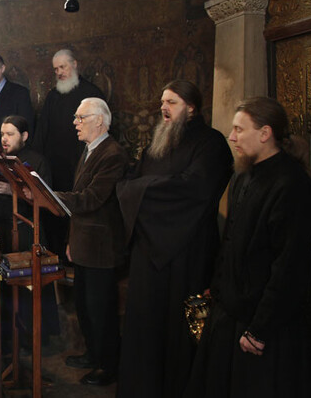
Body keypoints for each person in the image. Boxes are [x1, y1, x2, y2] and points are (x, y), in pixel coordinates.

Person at [184, 97, 311, 398]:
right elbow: (230, 243)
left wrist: (260, 329)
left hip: (264, 326)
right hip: (229, 314)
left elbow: (290, 267)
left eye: (239, 129)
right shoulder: (243, 176)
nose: (231, 137)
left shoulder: (292, 185)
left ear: (265, 133)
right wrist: (216, 289)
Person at [115, 80, 233, 398]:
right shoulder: (158, 142)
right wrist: (148, 188)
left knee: (180, 335)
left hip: (188, 252)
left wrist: (144, 189)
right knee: (146, 330)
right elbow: (130, 182)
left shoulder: (212, 144)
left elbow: (194, 190)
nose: (163, 108)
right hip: (149, 255)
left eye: (172, 102)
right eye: (162, 102)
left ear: (191, 108)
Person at [55, 98, 128, 386]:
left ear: (99, 120)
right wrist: (72, 240)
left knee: (101, 310)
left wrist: (52, 196)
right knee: (84, 305)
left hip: (101, 246)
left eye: (80, 117)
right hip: (84, 242)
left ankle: (107, 365)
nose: (75, 122)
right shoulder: (89, 149)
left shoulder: (113, 154)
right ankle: (92, 353)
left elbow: (92, 199)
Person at [0, 115, 59, 348]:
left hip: (28, 232)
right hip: (1, 231)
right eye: (2, 134)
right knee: (3, 289)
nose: (4, 139)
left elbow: (46, 200)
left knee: (28, 291)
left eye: (10, 134)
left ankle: (33, 341)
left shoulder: (38, 161)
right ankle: (7, 340)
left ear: (24, 136)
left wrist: (10, 189)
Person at [31, 49, 106, 267]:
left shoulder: (92, 93)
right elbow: (42, 132)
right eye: (55, 69)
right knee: (54, 215)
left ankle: (74, 262)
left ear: (74, 64)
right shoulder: (53, 96)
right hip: (54, 170)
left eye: (63, 67)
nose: (59, 72)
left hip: (80, 169)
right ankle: (57, 260)